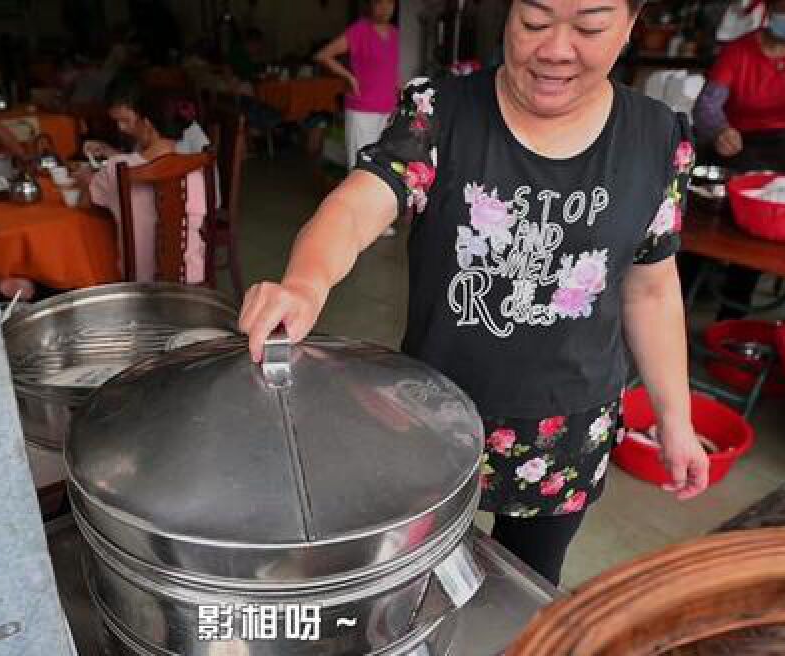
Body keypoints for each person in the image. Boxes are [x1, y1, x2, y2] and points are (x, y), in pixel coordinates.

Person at [239, 0, 710, 587]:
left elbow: (652, 289)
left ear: (631, 25)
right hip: (435, 419)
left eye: (589, 26)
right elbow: (360, 203)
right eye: (534, 21)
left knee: (527, 591)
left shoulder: (658, 137)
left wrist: (676, 419)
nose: (555, 49)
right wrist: (305, 284)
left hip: (568, 434)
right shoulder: (440, 113)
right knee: (413, 585)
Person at [690, 0, 785, 318]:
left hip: (780, 150)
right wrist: (719, 130)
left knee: (757, 244)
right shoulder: (738, 51)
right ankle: (682, 302)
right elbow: (707, 105)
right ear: (770, 12)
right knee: (705, 236)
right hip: (731, 146)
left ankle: (729, 324)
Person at [76, 82, 208, 284]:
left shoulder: (117, 168)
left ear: (146, 124)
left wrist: (86, 180)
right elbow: (198, 222)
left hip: (141, 284)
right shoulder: (195, 169)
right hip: (192, 279)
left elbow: (86, 204)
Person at [315, 0, 400, 172]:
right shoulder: (360, 30)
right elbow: (323, 55)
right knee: (359, 165)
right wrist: (350, 77)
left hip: (389, 110)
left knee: (383, 166)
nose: (384, 8)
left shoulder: (396, 34)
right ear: (371, 5)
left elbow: (393, 70)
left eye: (389, 3)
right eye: (379, 3)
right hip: (363, 110)